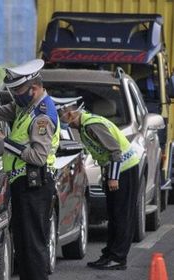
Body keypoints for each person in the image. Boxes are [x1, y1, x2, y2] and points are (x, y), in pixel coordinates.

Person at [0, 59, 60, 280]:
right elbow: (1, 111)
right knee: (23, 245)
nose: (14, 95)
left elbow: (38, 156)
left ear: (33, 88)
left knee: (32, 245)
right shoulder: (27, 107)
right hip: (24, 185)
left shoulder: (42, 116)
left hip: (35, 186)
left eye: (17, 91)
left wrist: (6, 143)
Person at [54, 96, 140, 270]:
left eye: (60, 116)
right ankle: (109, 254)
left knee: (121, 215)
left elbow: (115, 151)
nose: (60, 121)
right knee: (113, 215)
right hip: (114, 169)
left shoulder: (91, 125)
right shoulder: (85, 125)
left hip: (124, 169)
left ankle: (118, 258)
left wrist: (114, 177)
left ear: (70, 114)